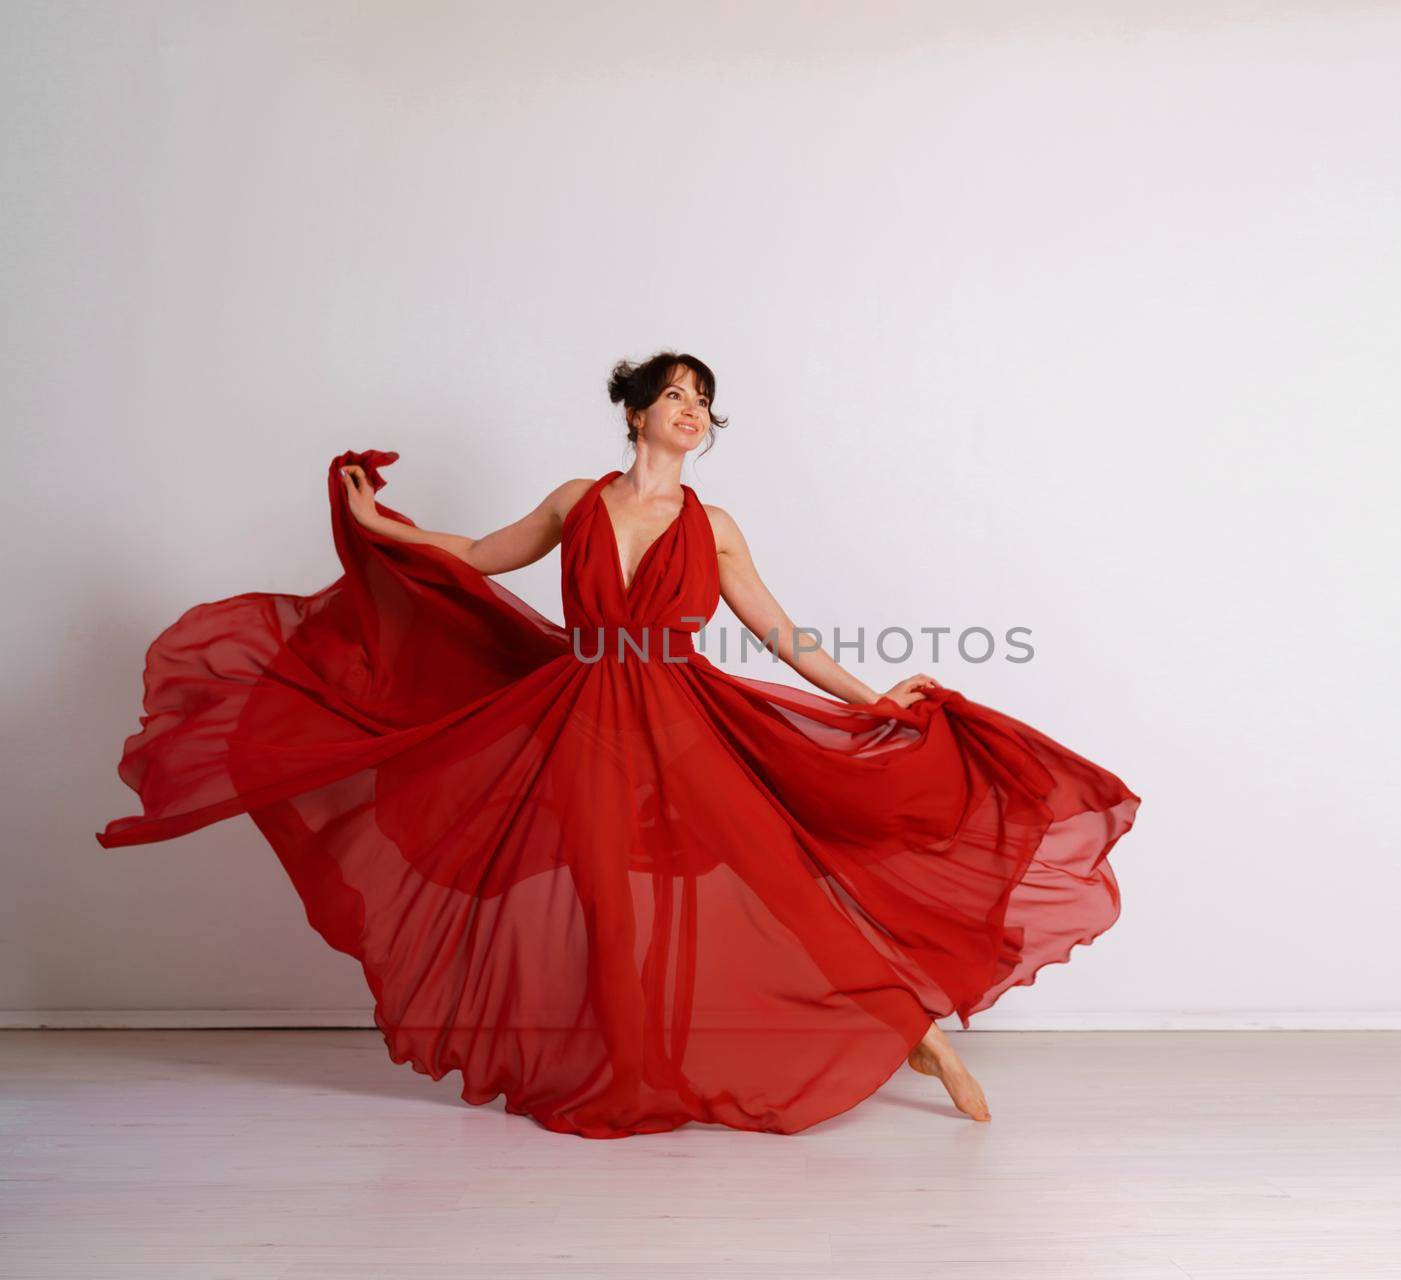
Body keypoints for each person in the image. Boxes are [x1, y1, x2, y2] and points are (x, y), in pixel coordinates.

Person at [97, 351, 1140, 1140]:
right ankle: (633, 1070)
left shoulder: (714, 522)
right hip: (583, 716)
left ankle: (918, 1035)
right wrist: (381, 528)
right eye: (676, 394)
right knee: (605, 898)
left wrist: (872, 699)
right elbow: (476, 554)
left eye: (704, 402)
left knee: (779, 878)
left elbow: (783, 633)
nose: (693, 412)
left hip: (688, 720)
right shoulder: (576, 500)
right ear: (636, 409)